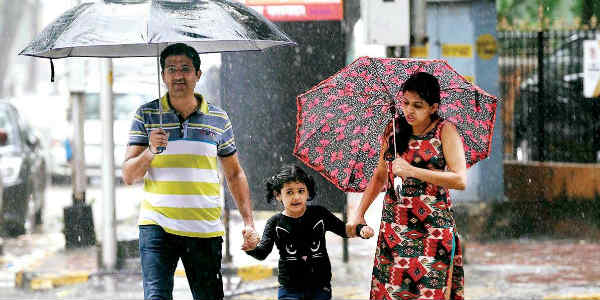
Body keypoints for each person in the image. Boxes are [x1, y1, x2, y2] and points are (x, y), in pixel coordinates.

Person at [122, 43, 259, 300]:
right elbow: (129, 175)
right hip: (157, 225)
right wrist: (151, 150)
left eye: (185, 69)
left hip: (203, 227)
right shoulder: (147, 115)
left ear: (198, 74)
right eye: (171, 69)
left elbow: (234, 174)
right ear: (163, 76)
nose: (178, 75)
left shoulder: (218, 118)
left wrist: (248, 222)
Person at [350, 72, 467, 300]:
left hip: (433, 230)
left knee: (430, 294)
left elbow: (460, 179)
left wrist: (413, 171)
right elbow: (379, 176)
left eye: (418, 105)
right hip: (395, 228)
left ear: (433, 107)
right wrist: (359, 214)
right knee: (392, 293)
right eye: (405, 103)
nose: (409, 110)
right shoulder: (393, 130)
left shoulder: (445, 131)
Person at [244, 164, 375, 300]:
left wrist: (361, 230)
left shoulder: (320, 214)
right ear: (278, 195)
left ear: (307, 192)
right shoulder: (275, 223)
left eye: (301, 191)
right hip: (289, 289)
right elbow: (262, 253)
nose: (296, 197)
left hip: (320, 287)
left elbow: (345, 230)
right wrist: (251, 248)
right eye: (289, 192)